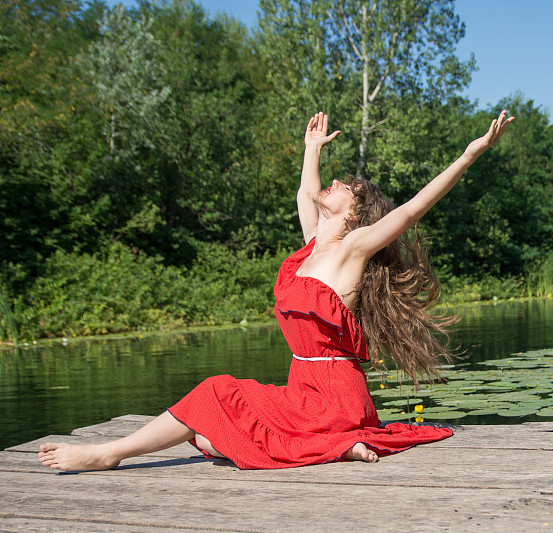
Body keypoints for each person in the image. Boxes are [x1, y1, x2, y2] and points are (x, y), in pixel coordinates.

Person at [38, 110, 513, 471]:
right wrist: (311, 149)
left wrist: (470, 154)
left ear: (354, 213)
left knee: (216, 393)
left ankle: (108, 454)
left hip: (332, 395)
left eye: (342, 186)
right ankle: (338, 444)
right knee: (208, 437)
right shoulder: (310, 251)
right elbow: (305, 196)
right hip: (301, 387)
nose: (331, 185)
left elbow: (409, 211)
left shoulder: (353, 251)